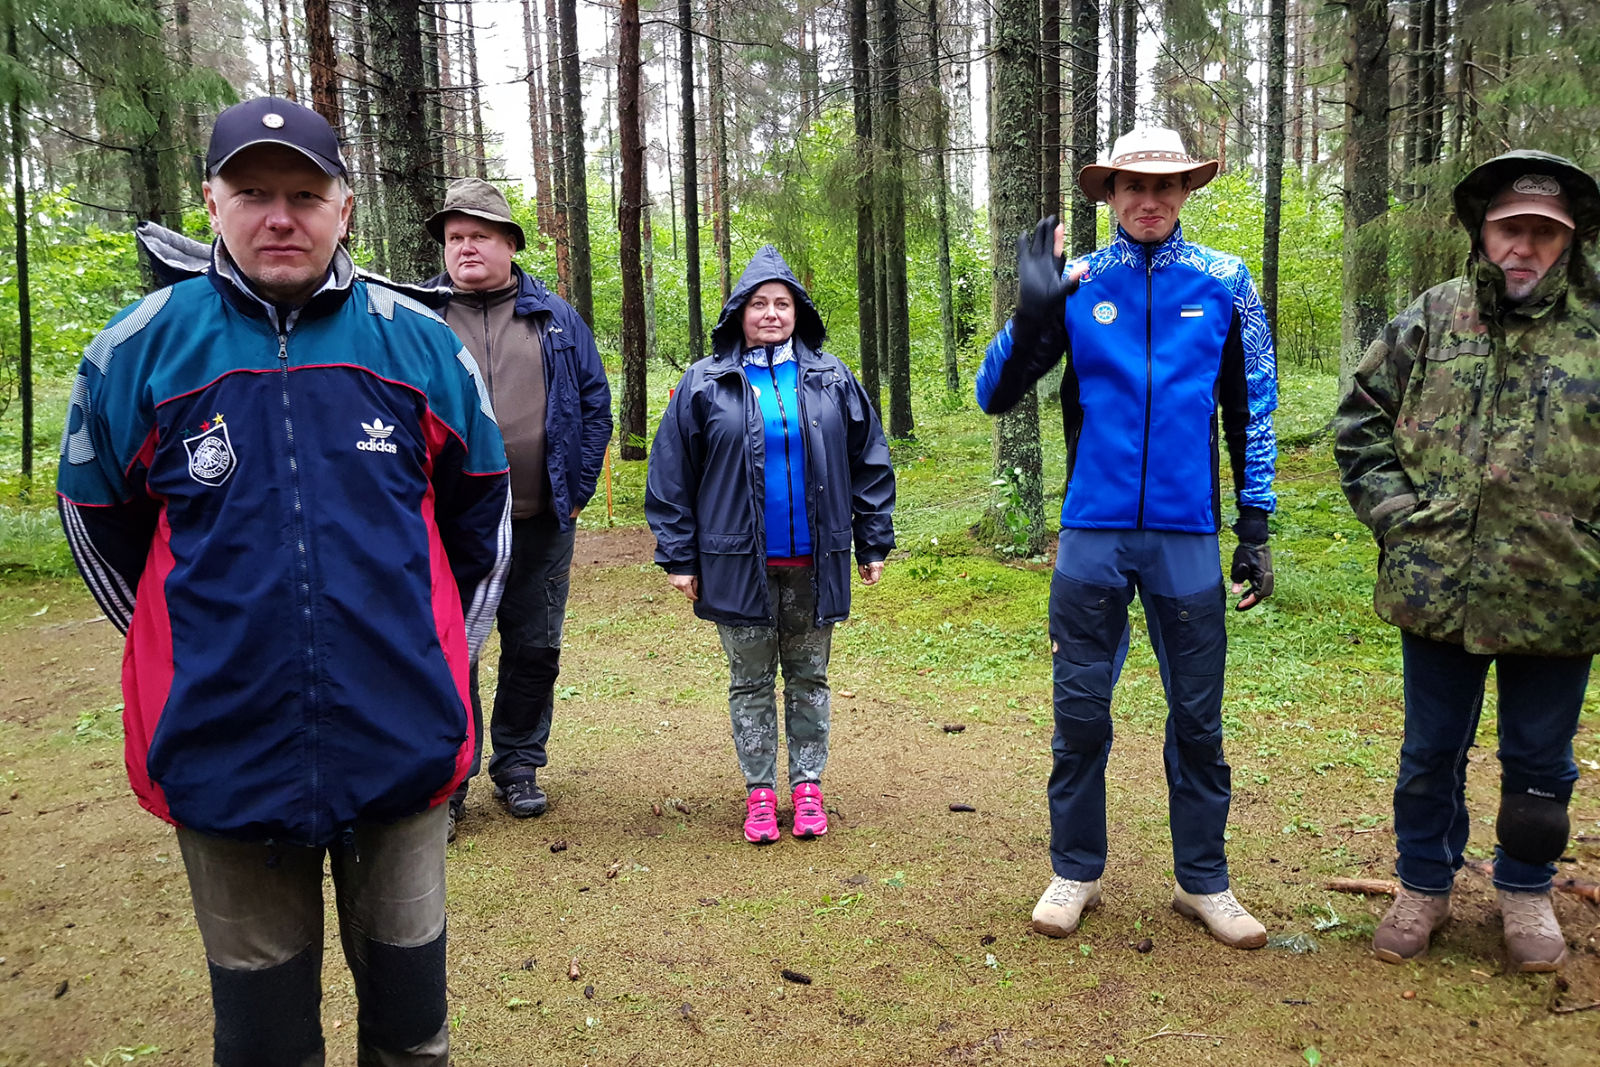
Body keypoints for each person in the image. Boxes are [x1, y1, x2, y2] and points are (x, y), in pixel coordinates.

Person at [55, 98, 510, 1066]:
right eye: (253, 192)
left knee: (413, 1032)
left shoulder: (421, 342)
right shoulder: (139, 347)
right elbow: (98, 523)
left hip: (401, 729)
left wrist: (437, 656)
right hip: (223, 738)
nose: (279, 216)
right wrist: (190, 648)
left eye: (305, 193)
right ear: (211, 202)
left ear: (344, 208)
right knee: (263, 1041)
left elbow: (483, 521)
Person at [976, 126, 1279, 949]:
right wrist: (1031, 310)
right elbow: (994, 394)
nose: (1149, 200)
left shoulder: (1226, 282)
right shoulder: (1080, 283)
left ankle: (1205, 883)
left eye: (1167, 186)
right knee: (1080, 713)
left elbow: (1254, 407)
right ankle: (1074, 869)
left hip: (1186, 534)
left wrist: (1255, 524)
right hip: (1092, 533)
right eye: (1132, 187)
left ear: (1187, 193)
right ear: (1108, 194)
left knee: (1199, 719)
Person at [1334, 151, 1600, 973]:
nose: (1524, 247)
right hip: (1437, 582)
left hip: (1559, 591)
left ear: (1570, 241)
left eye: (1542, 234)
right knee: (1430, 750)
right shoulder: (1433, 317)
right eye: (1509, 228)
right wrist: (1399, 523)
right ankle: (1424, 883)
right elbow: (1359, 423)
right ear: (1483, 232)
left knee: (1539, 760)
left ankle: (1526, 889)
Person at [645, 246, 895, 844]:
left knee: (809, 677)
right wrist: (680, 555)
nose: (771, 313)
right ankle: (760, 791)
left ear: (798, 313)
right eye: (759, 303)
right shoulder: (706, 382)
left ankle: (807, 786)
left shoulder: (830, 378)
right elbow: (671, 472)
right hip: (734, 561)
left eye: (782, 303)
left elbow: (869, 462)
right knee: (750, 681)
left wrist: (873, 541)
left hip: (817, 560)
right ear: (739, 312)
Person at [423, 177, 612, 835]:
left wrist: (576, 487)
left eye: (478, 235)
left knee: (534, 647)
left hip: (540, 521)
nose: (464, 247)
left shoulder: (555, 318)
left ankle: (519, 766)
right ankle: (447, 781)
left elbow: (594, 403)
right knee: (449, 651)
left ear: (509, 244)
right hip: (448, 528)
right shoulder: (422, 317)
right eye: (454, 238)